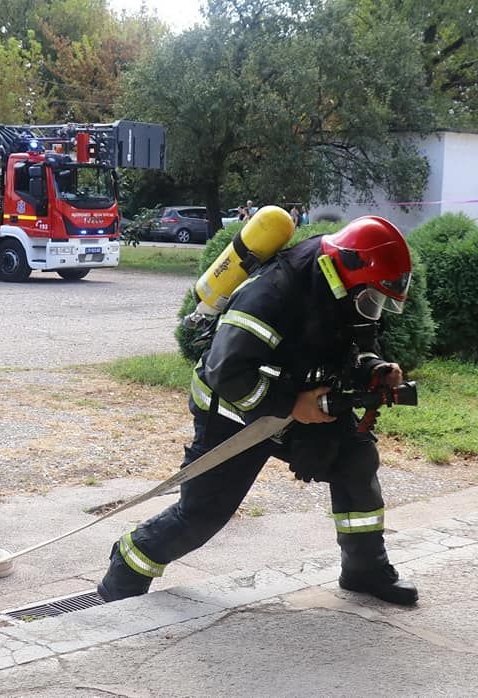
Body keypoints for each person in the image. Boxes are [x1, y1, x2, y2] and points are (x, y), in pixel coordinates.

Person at [98, 216, 418, 607]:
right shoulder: (272, 294)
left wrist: (373, 367)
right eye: (372, 299)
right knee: (203, 514)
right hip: (232, 410)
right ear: (346, 271)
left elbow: (357, 340)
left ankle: (365, 568)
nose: (374, 308)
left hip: (295, 404)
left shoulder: (345, 291)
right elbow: (225, 371)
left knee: (356, 460)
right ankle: (126, 569)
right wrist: (292, 405)